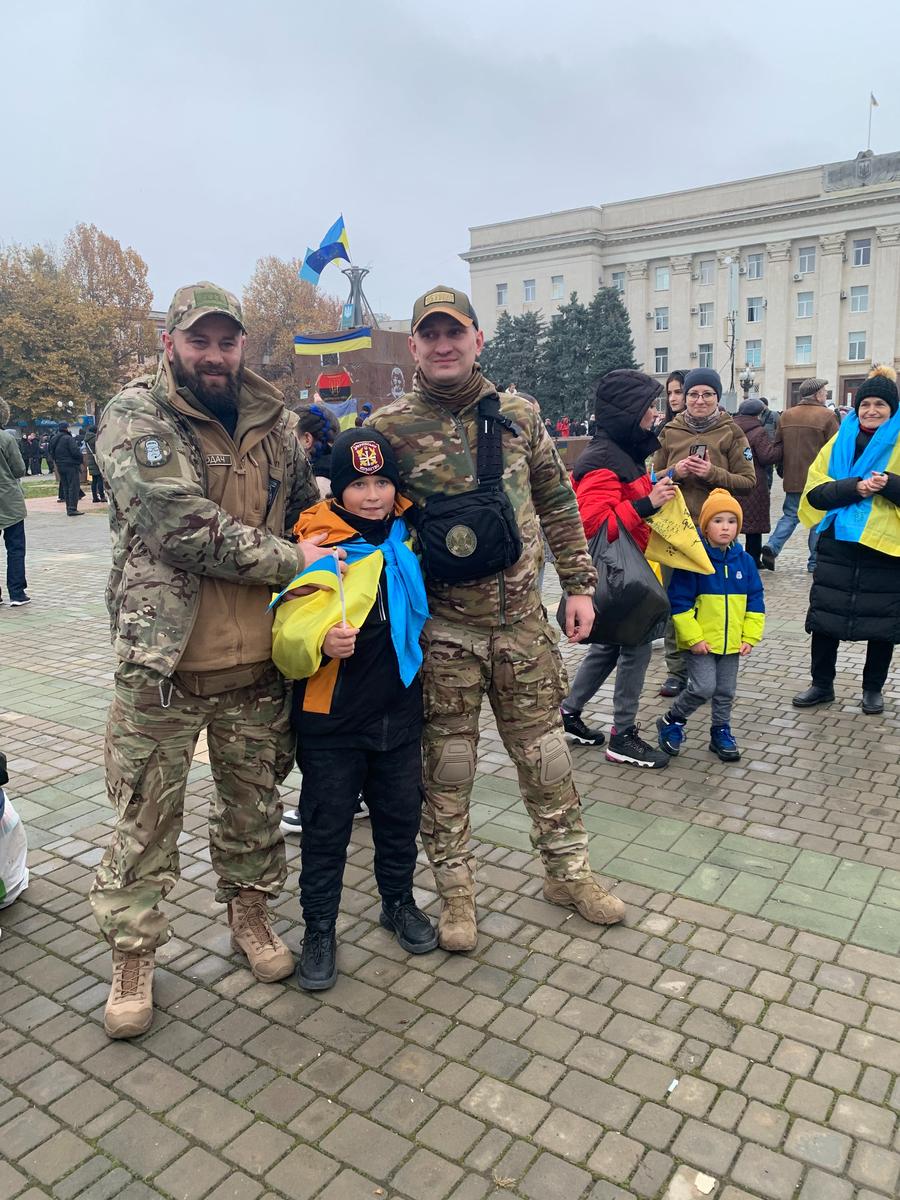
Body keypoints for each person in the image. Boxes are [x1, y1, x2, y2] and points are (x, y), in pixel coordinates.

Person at [89, 281, 325, 1039]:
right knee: (145, 821)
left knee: (254, 809)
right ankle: (133, 957)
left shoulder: (274, 424)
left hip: (256, 665)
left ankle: (249, 916)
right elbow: (178, 526)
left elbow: (306, 510)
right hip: (163, 668)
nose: (214, 355)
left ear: (242, 346)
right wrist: (294, 559)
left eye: (227, 341)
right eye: (199, 340)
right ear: (171, 344)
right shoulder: (137, 415)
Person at [369, 285, 624, 952]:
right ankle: (456, 895)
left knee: (547, 759)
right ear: (414, 346)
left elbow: (557, 500)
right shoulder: (388, 428)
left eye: (455, 332)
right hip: (442, 633)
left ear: (477, 339)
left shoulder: (518, 413)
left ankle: (568, 873)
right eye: (430, 334)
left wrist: (579, 587)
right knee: (448, 768)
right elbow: (361, 521)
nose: (443, 345)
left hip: (522, 627)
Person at [276, 428, 436, 989]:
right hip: (333, 719)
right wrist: (321, 642)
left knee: (400, 819)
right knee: (326, 831)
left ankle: (398, 902)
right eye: (359, 485)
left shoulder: (409, 537)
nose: (372, 496)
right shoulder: (316, 544)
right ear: (338, 490)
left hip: (399, 709)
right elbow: (283, 638)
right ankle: (319, 928)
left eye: (382, 482)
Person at [559, 370, 674, 768]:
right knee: (636, 644)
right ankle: (622, 736)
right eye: (648, 408)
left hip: (623, 569)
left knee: (608, 644)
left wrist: (658, 487)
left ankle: (568, 712)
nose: (654, 415)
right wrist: (647, 504)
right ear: (628, 411)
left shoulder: (621, 452)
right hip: (617, 573)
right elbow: (591, 526)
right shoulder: (604, 460)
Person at [792, 366, 900, 715]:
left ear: (892, 408)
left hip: (884, 547)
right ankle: (821, 684)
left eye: (880, 404)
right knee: (826, 618)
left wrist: (889, 484)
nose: (871, 410)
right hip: (837, 542)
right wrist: (856, 487)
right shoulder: (839, 441)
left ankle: (872, 689)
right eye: (865, 403)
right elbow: (815, 492)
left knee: (882, 623)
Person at [653, 368, 755, 697]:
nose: (699, 400)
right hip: (676, 532)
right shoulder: (670, 431)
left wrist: (713, 472)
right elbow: (650, 477)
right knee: (677, 602)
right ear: (684, 397)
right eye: (693, 394)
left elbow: (748, 482)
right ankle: (676, 670)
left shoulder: (732, 432)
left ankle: (710, 667)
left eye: (707, 394)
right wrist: (676, 471)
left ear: (717, 397)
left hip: (717, 533)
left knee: (711, 602)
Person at [657, 490, 765, 763]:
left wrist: (750, 636)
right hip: (701, 643)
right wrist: (693, 638)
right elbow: (679, 603)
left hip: (732, 642)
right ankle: (672, 720)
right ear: (705, 526)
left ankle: (720, 731)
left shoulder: (745, 562)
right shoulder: (695, 561)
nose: (725, 527)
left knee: (725, 691)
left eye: (731, 521)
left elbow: (755, 600)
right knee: (703, 688)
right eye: (718, 521)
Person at [760, 378, 840, 573]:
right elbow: (836, 449)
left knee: (790, 515)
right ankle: (815, 562)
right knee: (818, 520)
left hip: (793, 477)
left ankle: (772, 546)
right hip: (819, 479)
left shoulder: (787, 415)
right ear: (817, 394)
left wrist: (782, 469)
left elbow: (778, 446)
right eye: (824, 391)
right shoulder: (828, 416)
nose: (826, 394)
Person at [733, 399, 783, 567]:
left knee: (732, 520)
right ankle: (753, 559)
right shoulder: (758, 431)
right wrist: (780, 447)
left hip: (733, 479)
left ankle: (732, 557)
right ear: (759, 414)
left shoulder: (730, 428)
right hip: (754, 482)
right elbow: (766, 456)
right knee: (754, 524)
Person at [0, 397, 30, 606]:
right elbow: (19, 469)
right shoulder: (6, 439)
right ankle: (17, 593)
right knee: (15, 548)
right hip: (8, 500)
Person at [51, 422, 84, 516]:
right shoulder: (68, 438)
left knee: (66, 487)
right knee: (73, 486)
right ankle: (72, 508)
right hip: (71, 465)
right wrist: (80, 460)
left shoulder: (54, 438)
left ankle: (68, 507)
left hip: (60, 465)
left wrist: (57, 460)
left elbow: (50, 451)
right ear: (66, 428)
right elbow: (75, 451)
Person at [83, 424, 106, 503]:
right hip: (96, 461)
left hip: (91, 461)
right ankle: (102, 496)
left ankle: (94, 497)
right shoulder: (94, 439)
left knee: (94, 480)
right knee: (100, 479)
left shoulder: (87, 439)